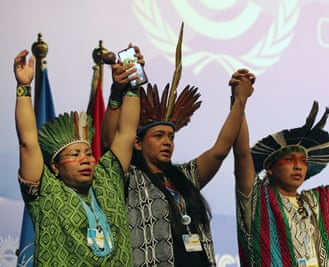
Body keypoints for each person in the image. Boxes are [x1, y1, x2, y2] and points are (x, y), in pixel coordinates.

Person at [101, 30, 254, 266]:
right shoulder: (128, 178)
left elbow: (220, 150)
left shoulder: (184, 176)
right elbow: (111, 140)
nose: (167, 142)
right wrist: (118, 91)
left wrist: (238, 100)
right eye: (159, 136)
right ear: (138, 142)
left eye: (171, 136)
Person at [13, 46, 143, 266]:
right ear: (55, 166)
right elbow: (28, 142)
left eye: (88, 153)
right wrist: (24, 87)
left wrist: (132, 84)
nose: (85, 159)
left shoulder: (107, 180)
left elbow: (127, 133)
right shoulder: (47, 192)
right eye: (75, 154)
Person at [231, 70, 329, 267]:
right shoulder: (257, 198)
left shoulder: (317, 201)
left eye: (303, 161)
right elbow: (242, 154)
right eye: (289, 159)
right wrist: (239, 102)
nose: (298, 166)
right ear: (269, 167)